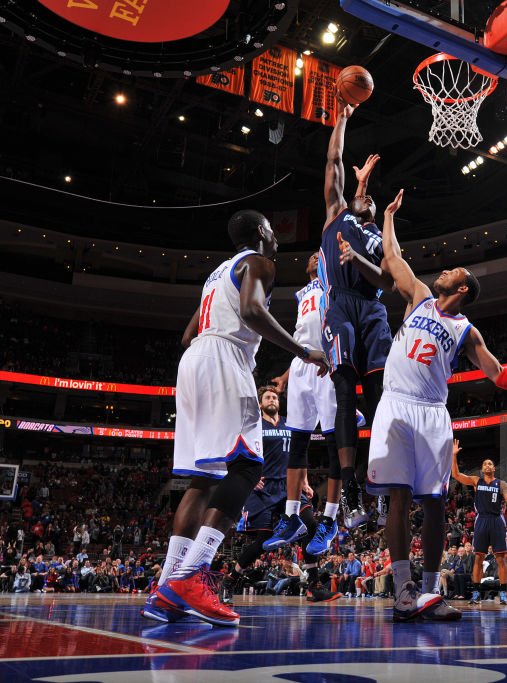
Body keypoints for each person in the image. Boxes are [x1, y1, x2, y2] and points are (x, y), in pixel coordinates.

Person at [350, 189, 507, 622]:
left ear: (462, 287)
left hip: (432, 412)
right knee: (397, 496)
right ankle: (402, 590)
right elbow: (392, 258)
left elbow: (500, 374)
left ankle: (431, 592)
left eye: (453, 270)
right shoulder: (418, 297)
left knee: (433, 502)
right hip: (395, 404)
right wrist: (390, 216)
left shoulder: (467, 331)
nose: (444, 270)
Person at [145, 210, 328, 627]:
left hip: (192, 362)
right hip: (225, 358)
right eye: (273, 231)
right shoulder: (261, 262)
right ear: (263, 233)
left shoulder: (216, 273)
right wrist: (302, 351)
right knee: (247, 466)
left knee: (203, 479)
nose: (278, 239)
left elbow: (188, 335)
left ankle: (167, 585)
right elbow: (250, 311)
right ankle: (191, 576)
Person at [318, 96, 393, 527]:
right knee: (346, 393)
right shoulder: (335, 216)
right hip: (342, 307)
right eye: (361, 192)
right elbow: (334, 162)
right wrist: (342, 121)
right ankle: (349, 488)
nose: (366, 194)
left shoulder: (380, 237)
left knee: (380, 401)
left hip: (374, 311)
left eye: (369, 193)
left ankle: (378, 482)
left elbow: (387, 281)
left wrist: (363, 261)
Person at [265, 253, 364, 555]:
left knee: (335, 444)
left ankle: (330, 519)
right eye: (309, 256)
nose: (312, 257)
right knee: (298, 444)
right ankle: (292, 515)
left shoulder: (335, 283)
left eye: (317, 255)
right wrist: (285, 376)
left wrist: (338, 355)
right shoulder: (301, 292)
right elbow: (302, 334)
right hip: (301, 364)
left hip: (326, 359)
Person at [225, 386, 336, 604]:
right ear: (260, 403)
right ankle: (231, 579)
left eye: (275, 397)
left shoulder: (289, 423)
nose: (272, 399)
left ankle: (314, 585)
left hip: (289, 487)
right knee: (263, 540)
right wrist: (248, 475)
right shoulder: (253, 425)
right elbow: (233, 450)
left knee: (311, 526)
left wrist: (304, 481)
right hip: (263, 487)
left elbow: (299, 454)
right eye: (267, 397)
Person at [450, 441, 507, 605]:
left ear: (494, 468)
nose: (488, 465)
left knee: (501, 559)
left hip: (496, 520)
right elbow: (456, 475)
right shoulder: (476, 481)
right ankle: (476, 593)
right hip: (481, 520)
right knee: (478, 559)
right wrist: (454, 455)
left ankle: (503, 593)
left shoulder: (501, 484)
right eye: (485, 464)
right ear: (482, 469)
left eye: (490, 463)